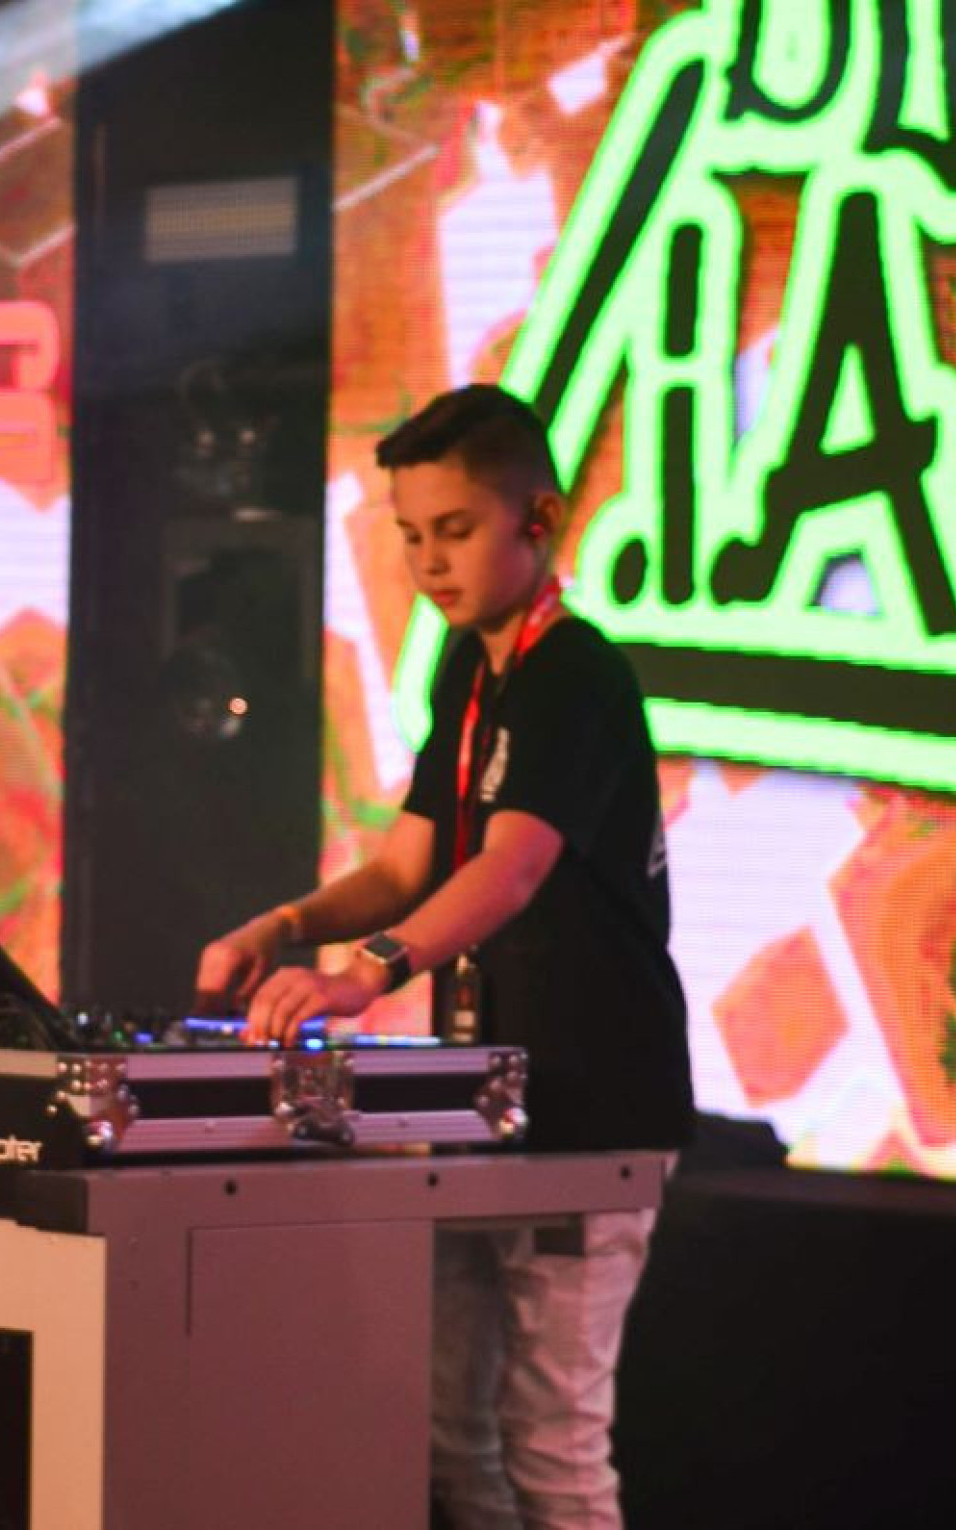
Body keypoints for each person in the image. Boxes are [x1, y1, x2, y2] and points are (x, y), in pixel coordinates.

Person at [193, 382, 694, 1529]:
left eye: (454, 530)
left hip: (597, 1105)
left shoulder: (578, 673)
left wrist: (366, 971)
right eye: (410, 535)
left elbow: (508, 869)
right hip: (486, 1103)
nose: (427, 561)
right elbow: (407, 866)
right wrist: (282, 928)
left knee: (551, 1449)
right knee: (448, 1443)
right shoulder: (469, 668)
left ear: (540, 518)